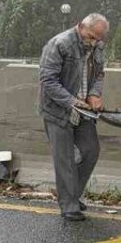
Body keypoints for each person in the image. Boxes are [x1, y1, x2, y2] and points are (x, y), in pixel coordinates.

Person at [38, 13, 109, 221]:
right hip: (58, 109)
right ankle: (69, 206)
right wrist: (72, 101)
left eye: (98, 38)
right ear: (80, 26)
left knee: (90, 150)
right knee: (65, 158)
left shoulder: (97, 46)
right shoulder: (60, 44)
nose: (93, 41)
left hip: (84, 109)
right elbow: (48, 81)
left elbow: (99, 74)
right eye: (91, 36)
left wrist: (95, 94)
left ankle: (70, 194)